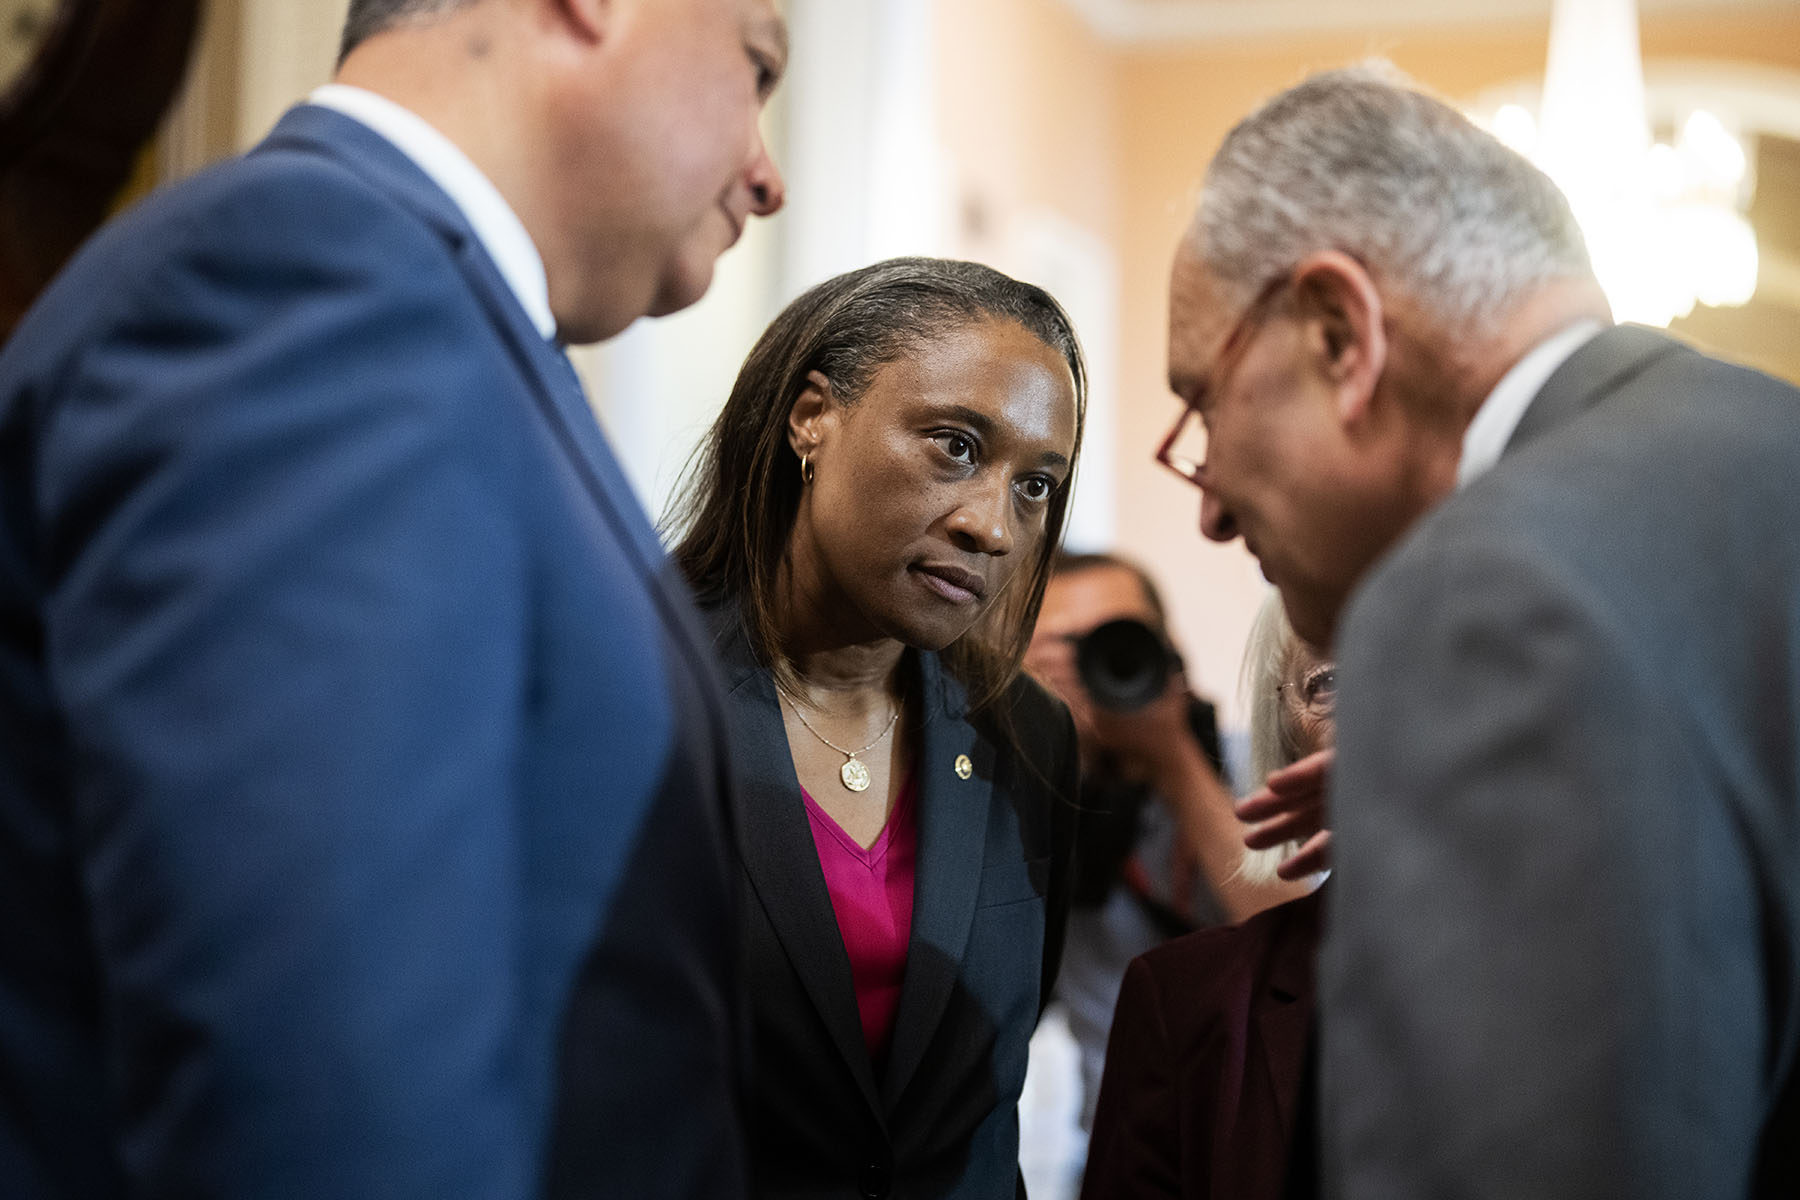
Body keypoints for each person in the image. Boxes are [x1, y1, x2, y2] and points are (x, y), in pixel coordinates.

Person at [0, 1, 786, 1196]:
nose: (768, 174)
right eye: (758, 66)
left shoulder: (425, 308)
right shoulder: (308, 274)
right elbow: (318, 1091)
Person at [1158, 64, 1800, 1197]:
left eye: (1202, 401)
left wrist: (1477, 699)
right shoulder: (1760, 451)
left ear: (1339, 336)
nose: (1205, 502)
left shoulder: (1490, 597)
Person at [668, 256, 1085, 1198]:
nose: (995, 527)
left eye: (1035, 486)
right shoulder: (633, 688)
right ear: (812, 416)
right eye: (955, 446)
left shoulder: (1027, 734)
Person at [1024, 553, 1309, 1129]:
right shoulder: (1017, 799)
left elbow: (1302, 939)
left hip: (1273, 1129)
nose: (1095, 667)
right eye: (1063, 650)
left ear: (1168, 647)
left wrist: (1173, 757)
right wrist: (1030, 732)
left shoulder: (1256, 765)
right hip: (1125, 1139)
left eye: (1118, 638)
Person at [1081, 593, 1333, 1200]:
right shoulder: (1183, 998)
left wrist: (1171, 754)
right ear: (1287, 729)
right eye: (1331, 682)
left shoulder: (1586, 972)